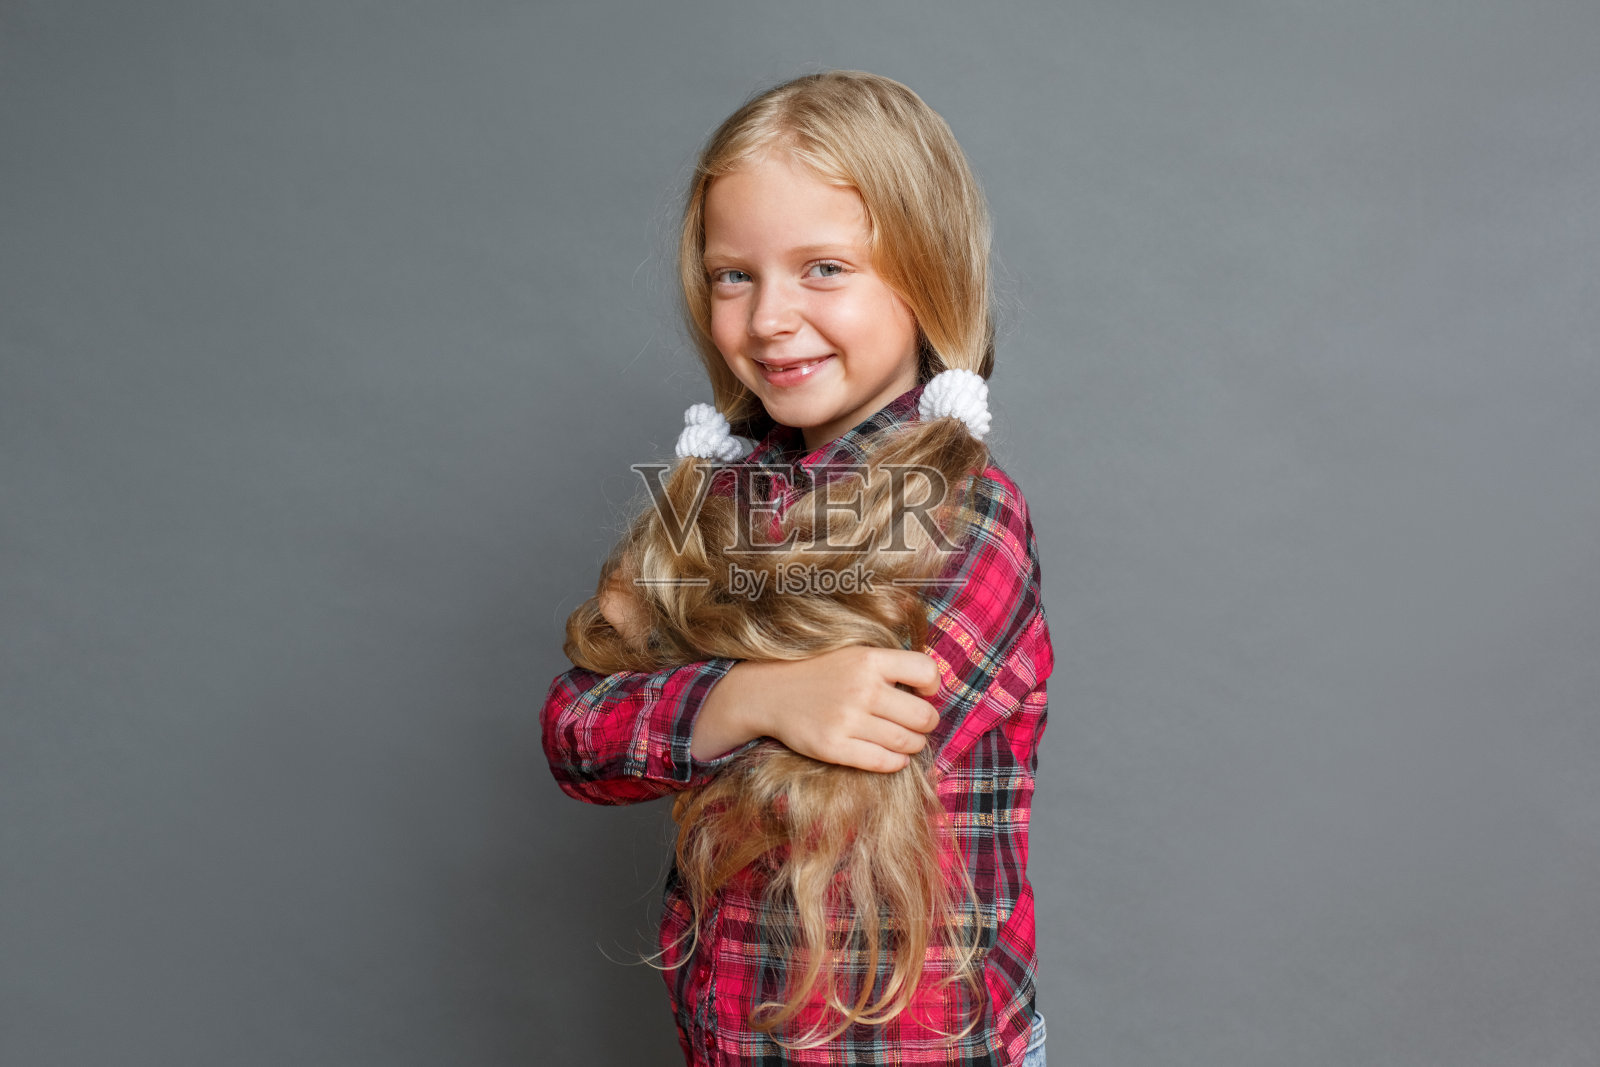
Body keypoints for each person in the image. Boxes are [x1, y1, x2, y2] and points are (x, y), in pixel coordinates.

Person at [541, 70, 1053, 1066]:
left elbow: (832, 763)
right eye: (734, 274)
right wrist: (754, 693)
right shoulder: (728, 499)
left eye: (822, 268)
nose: (769, 316)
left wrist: (677, 660)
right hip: (734, 1042)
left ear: (926, 269)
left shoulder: (967, 515)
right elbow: (573, 734)